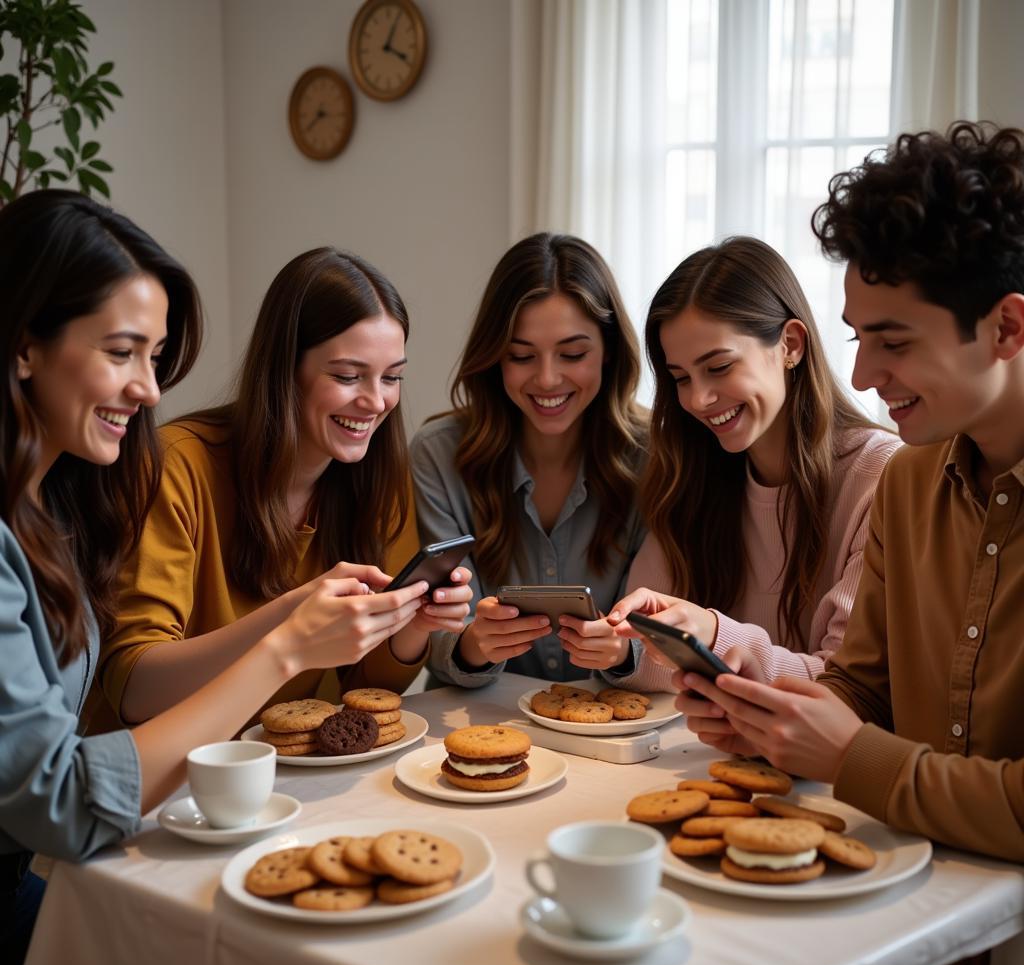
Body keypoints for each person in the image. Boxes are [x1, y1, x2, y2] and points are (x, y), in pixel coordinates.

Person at [0, 192, 430, 965]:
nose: (151, 390)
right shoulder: (170, 472)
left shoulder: (49, 509)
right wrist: (285, 648)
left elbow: (375, 677)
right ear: (25, 346)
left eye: (156, 358)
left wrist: (400, 630)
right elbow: (63, 793)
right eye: (124, 353)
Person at [674, 123, 1024, 865]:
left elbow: (869, 746)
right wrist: (771, 722)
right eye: (857, 338)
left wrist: (853, 758)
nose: (862, 377)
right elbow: (862, 692)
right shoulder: (910, 481)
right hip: (916, 903)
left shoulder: (881, 469)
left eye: (894, 343)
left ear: (1008, 327)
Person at [98, 247, 472, 726]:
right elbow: (136, 690)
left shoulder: (379, 478)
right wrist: (290, 620)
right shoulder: (175, 466)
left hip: (283, 774)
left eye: (392, 377)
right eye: (346, 376)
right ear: (284, 369)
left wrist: (411, 625)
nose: (376, 401)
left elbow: (366, 691)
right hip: (158, 781)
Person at [604, 237, 899, 688]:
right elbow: (649, 660)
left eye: (719, 367)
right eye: (680, 378)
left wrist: (714, 636)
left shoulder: (880, 474)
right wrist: (621, 649)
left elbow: (849, 686)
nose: (699, 399)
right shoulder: (694, 473)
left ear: (791, 346)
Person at [410, 233, 647, 687]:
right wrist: (473, 644)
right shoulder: (438, 455)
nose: (547, 379)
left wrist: (622, 651)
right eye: (521, 356)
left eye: (573, 354)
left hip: (612, 732)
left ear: (610, 351)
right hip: (472, 726)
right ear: (495, 356)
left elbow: (657, 631)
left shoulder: (655, 458)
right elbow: (434, 636)